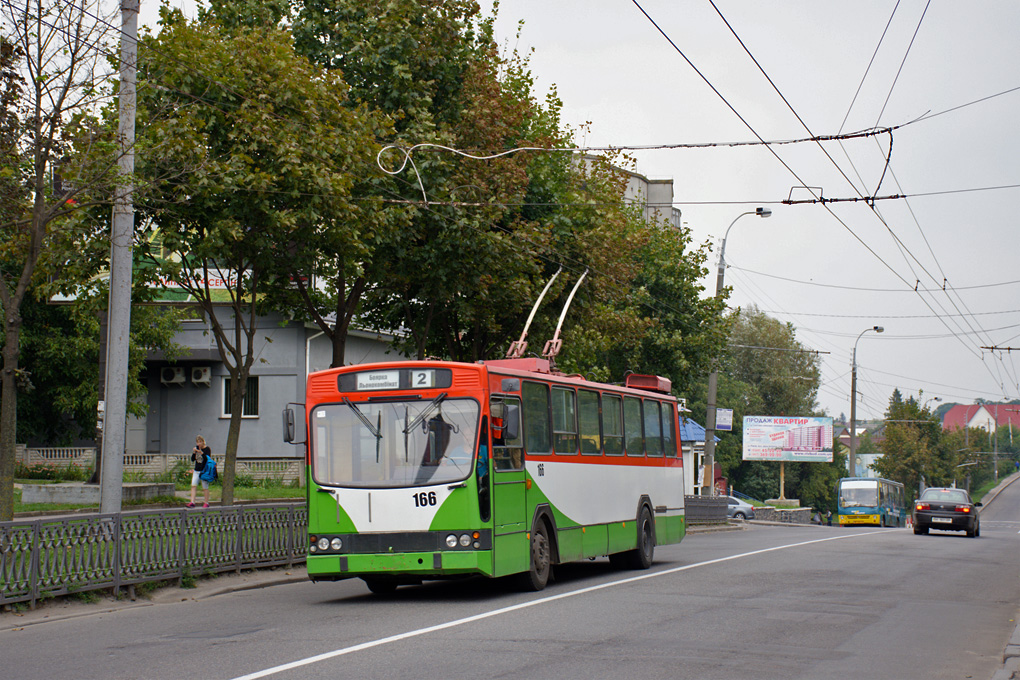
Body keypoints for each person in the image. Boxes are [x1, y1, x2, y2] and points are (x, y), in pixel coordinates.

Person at [188, 435, 212, 508]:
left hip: (204, 470)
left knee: (205, 487)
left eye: (200, 442)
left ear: (203, 442)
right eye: (197, 442)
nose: (199, 444)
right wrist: (194, 452)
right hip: (196, 470)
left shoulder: (207, 449)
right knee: (193, 485)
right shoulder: (197, 449)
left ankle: (206, 502)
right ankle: (192, 502)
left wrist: (201, 453)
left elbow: (207, 459)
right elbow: (192, 459)